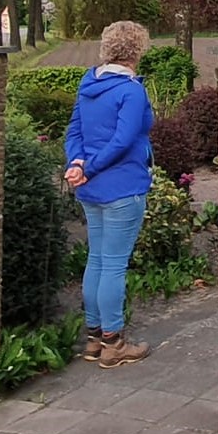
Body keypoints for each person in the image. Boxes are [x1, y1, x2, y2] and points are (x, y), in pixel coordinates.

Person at [64, 20, 155, 368]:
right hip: (122, 186)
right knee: (114, 264)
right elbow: (124, 139)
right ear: (136, 50)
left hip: (90, 188)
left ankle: (93, 339)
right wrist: (89, 166)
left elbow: (74, 130)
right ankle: (114, 344)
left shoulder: (89, 83)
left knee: (97, 260)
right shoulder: (131, 91)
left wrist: (77, 163)